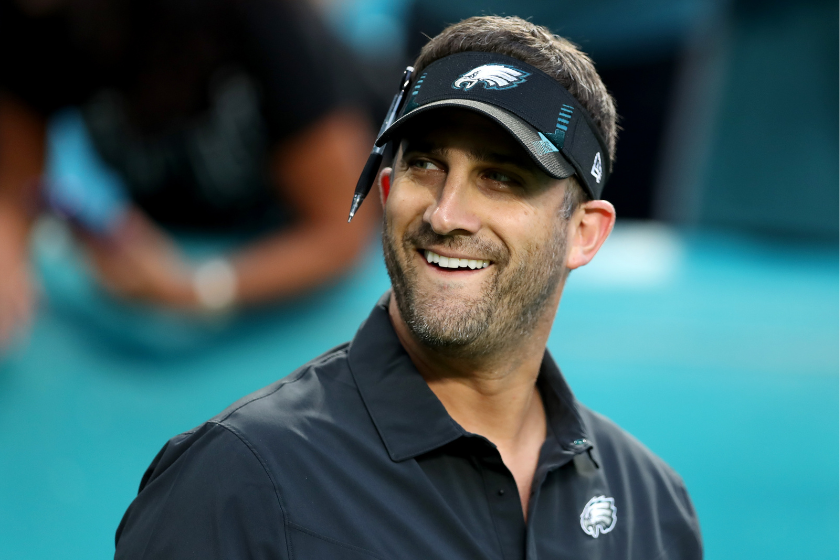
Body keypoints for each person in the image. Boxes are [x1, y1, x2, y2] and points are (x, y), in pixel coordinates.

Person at [114, 16, 703, 560]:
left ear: (584, 233)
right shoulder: (241, 479)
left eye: (500, 177)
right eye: (426, 166)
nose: (446, 214)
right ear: (388, 189)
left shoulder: (650, 505)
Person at [0, 0, 377, 344]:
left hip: (314, 264)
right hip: (178, 246)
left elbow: (341, 230)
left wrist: (194, 289)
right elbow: (16, 185)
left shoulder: (258, 16)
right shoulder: (38, 22)